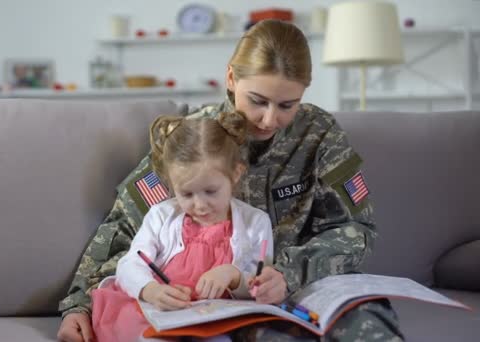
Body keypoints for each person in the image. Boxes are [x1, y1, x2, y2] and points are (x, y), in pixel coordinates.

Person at [57, 19, 404, 342]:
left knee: (371, 325)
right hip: (223, 299)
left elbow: (357, 229)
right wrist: (80, 304)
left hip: (305, 281)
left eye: (288, 104)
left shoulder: (320, 134)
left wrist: (288, 272)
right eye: (258, 101)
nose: (270, 119)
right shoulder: (196, 136)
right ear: (231, 79)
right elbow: (125, 227)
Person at [90, 112, 274, 342]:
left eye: (210, 191)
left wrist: (233, 276)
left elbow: (260, 283)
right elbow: (130, 264)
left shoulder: (256, 223)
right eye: (186, 193)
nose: (199, 205)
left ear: (236, 173)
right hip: (162, 311)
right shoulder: (162, 215)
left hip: (217, 319)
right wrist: (151, 290)